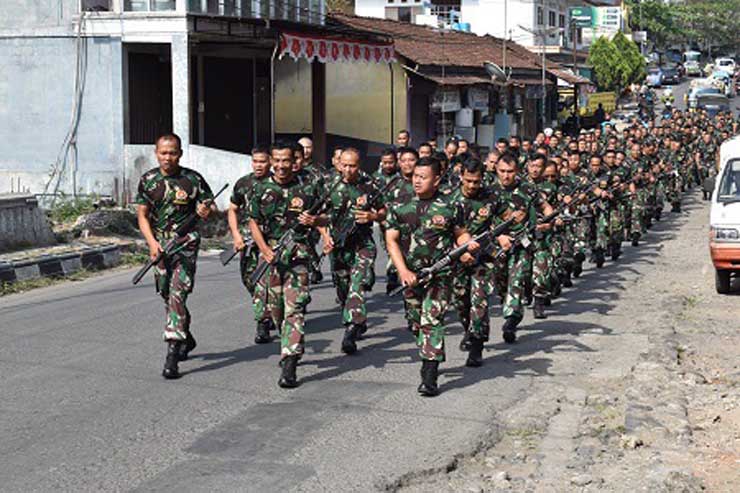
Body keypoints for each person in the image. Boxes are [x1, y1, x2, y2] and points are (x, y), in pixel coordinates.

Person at [385, 157, 478, 396]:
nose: (417, 180)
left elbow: (461, 234)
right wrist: (403, 271)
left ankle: (429, 375)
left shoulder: (450, 205)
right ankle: (428, 352)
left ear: (436, 180)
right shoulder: (400, 205)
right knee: (417, 322)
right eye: (415, 176)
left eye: (423, 177)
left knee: (432, 320)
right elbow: (391, 241)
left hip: (441, 274)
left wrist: (468, 244)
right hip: (411, 276)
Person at [136, 133, 215, 379]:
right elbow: (142, 215)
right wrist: (151, 244)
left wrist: (205, 210)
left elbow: (210, 207)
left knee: (178, 295)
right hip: (160, 247)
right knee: (167, 295)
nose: (167, 157)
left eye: (172, 153)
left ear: (180, 153)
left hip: (185, 246)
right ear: (156, 152)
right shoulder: (148, 180)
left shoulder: (192, 179)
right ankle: (186, 337)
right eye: (163, 152)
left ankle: (172, 355)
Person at [248, 142, 325, 388]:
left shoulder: (308, 188)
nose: (282, 166)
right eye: (277, 160)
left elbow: (329, 216)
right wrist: (265, 250)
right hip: (270, 254)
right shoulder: (260, 188)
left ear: (295, 162)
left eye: (287, 161)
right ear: (272, 161)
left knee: (295, 308)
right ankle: (286, 341)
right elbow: (253, 223)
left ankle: (290, 360)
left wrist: (315, 220)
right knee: (276, 308)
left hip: (299, 255)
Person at [322, 149, 384, 353]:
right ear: (338, 163)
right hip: (339, 246)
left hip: (362, 244)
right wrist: (326, 236)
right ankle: (356, 317)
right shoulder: (329, 185)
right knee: (343, 289)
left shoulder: (369, 186)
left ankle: (350, 332)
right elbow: (318, 215)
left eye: (353, 166)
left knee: (357, 284)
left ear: (360, 165)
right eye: (344, 165)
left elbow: (384, 211)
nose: (348, 170)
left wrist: (372, 217)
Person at [227, 146, 274, 344]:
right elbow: (232, 209)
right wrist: (236, 235)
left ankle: (262, 323)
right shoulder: (243, 183)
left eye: (262, 161)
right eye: (255, 161)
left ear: (270, 161)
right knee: (248, 280)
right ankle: (267, 309)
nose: (258, 165)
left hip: (270, 240)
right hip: (247, 241)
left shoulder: (277, 183)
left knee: (262, 281)